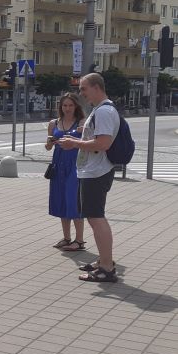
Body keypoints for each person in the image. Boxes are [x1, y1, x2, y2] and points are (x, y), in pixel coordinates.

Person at [58, 73, 120, 283]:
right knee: (95, 218)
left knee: (96, 218)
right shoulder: (100, 110)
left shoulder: (104, 111)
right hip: (92, 170)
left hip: (96, 172)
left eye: (83, 89)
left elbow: (103, 143)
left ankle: (106, 268)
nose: (81, 93)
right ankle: (104, 261)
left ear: (96, 87)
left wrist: (74, 143)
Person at [45, 93, 85, 251]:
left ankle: (79, 240)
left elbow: (89, 143)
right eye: (64, 105)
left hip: (75, 165)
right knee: (61, 199)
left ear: (76, 106)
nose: (67, 108)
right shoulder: (54, 123)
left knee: (73, 201)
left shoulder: (82, 122)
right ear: (60, 107)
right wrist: (50, 142)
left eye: (70, 105)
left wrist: (78, 138)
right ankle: (67, 238)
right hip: (58, 165)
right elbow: (48, 147)